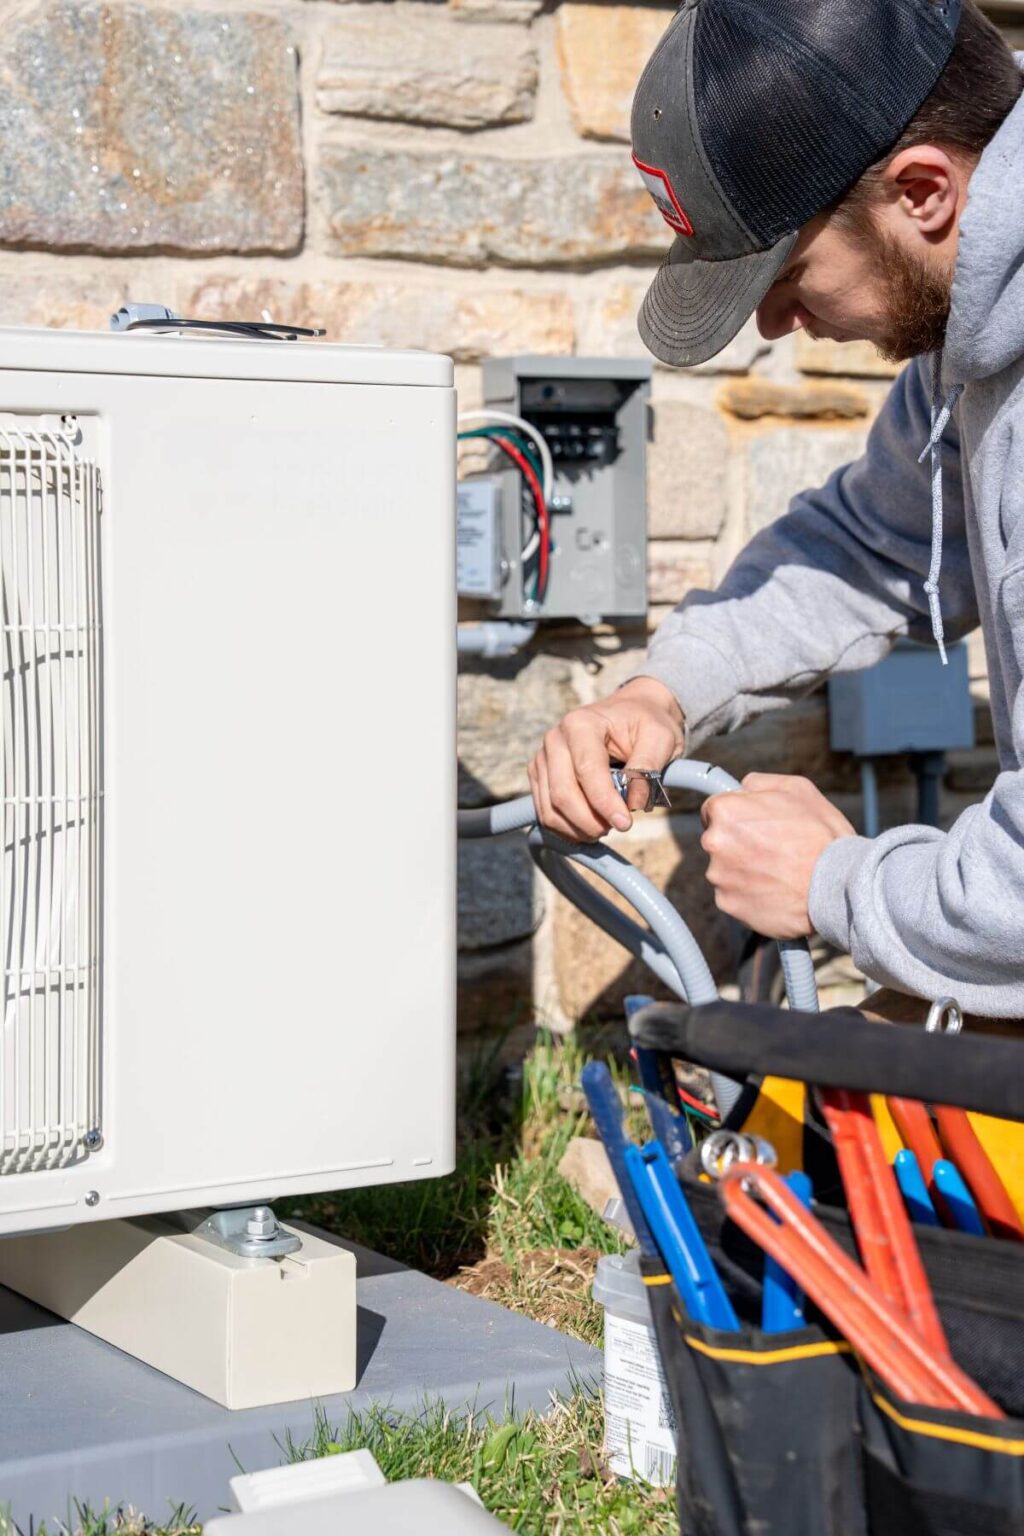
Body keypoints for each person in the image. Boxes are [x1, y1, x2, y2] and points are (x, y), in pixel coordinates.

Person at [529, 0, 1024, 1017]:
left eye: (788, 272)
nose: (769, 321)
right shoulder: (964, 355)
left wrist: (832, 882)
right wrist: (663, 693)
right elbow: (869, 547)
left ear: (924, 190)